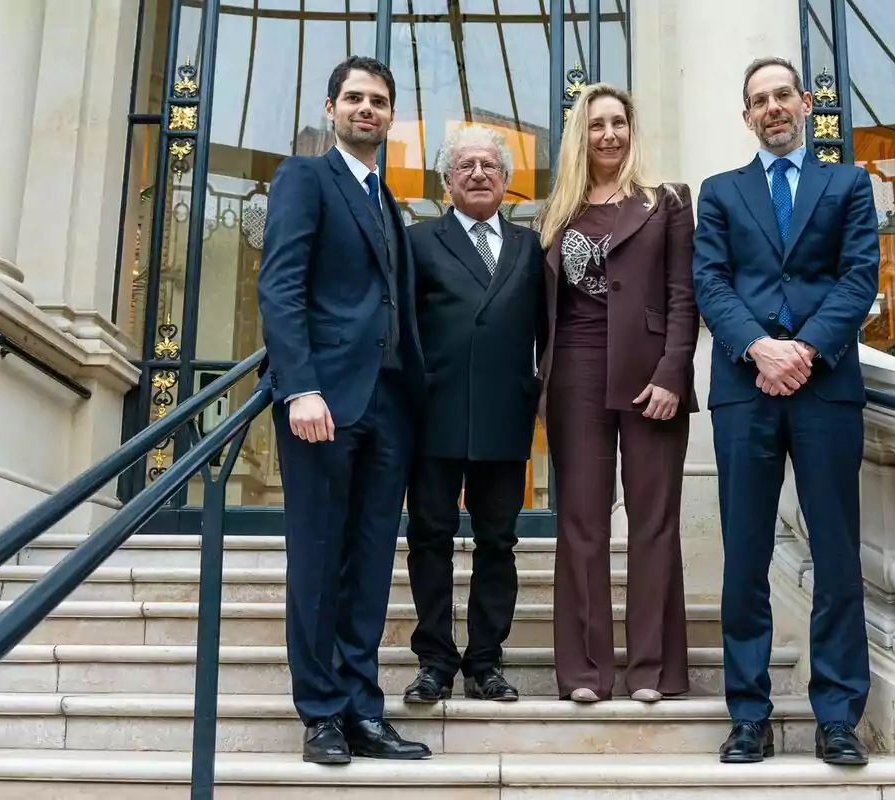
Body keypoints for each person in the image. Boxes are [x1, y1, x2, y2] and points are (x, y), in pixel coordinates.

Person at [691, 56, 879, 766]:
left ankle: (837, 715)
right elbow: (709, 282)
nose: (772, 107)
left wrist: (802, 351)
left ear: (804, 103)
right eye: (758, 100)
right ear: (746, 116)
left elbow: (859, 277)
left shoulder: (848, 183)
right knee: (744, 557)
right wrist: (760, 350)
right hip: (745, 389)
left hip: (826, 386)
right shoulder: (720, 192)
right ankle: (749, 716)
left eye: (781, 96)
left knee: (835, 555)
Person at [257, 55, 430, 764]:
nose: (367, 109)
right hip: (323, 402)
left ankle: (363, 708)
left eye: (379, 100)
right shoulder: (305, 178)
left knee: (368, 565)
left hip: (389, 404)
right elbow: (281, 285)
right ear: (331, 109)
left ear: (392, 116)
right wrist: (300, 386)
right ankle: (321, 711)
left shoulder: (388, 200)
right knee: (320, 557)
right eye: (354, 98)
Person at [535, 83, 697, 704]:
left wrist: (672, 373)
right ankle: (584, 672)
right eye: (597, 124)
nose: (609, 134)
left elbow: (685, 295)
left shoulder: (668, 201)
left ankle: (652, 671)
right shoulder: (557, 211)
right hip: (574, 372)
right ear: (582, 135)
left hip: (650, 373)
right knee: (580, 522)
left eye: (619, 123)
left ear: (632, 131)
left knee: (654, 521)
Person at [401, 125, 546, 704]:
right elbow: (403, 328)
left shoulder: (529, 247)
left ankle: (486, 662)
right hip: (432, 414)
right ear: (446, 181)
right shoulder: (418, 242)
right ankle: (435, 659)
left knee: (497, 542)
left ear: (507, 181)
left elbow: (548, 330)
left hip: (504, 416)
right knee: (429, 537)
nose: (479, 174)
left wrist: (541, 395)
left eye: (490, 165)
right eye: (466, 166)